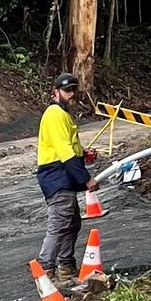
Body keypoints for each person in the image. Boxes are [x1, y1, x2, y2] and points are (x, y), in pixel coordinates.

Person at [35, 72, 95, 283]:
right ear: (55, 92)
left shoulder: (61, 114)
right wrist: (86, 179)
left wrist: (83, 152)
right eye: (67, 90)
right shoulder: (55, 114)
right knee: (61, 222)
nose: (71, 94)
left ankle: (66, 266)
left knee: (72, 222)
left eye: (73, 90)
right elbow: (64, 152)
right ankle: (46, 270)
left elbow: (68, 145)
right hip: (56, 174)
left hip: (61, 174)